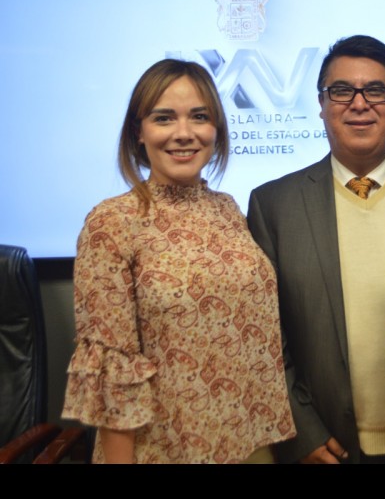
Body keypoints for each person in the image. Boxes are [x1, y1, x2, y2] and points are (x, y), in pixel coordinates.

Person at [62, 59, 295, 463]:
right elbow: (114, 369)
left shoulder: (227, 209)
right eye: (164, 118)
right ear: (139, 132)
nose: (184, 133)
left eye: (199, 117)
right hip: (164, 450)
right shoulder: (112, 222)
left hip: (252, 444)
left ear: (216, 129)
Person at [247, 35, 385, 464]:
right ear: (321, 104)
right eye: (342, 90)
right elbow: (264, 336)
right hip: (326, 445)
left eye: (376, 90)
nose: (359, 103)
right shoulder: (274, 205)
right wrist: (301, 432)